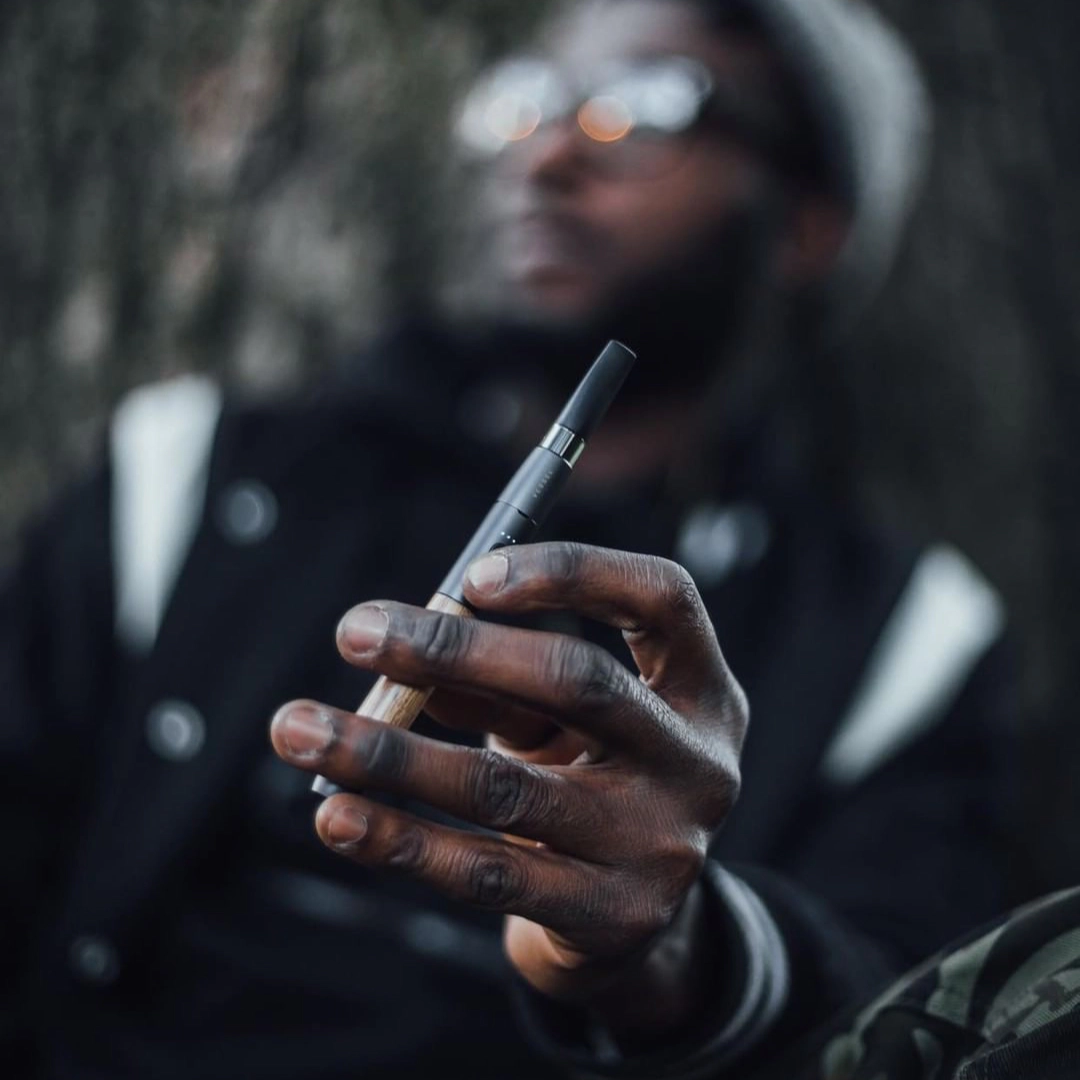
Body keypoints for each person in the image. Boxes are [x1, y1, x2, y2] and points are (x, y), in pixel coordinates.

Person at [0, 1, 1019, 1077]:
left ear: (806, 226)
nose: (551, 154)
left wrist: (677, 951)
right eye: (530, 104)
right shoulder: (189, 474)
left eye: (644, 107)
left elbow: (909, 1015)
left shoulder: (906, 641)